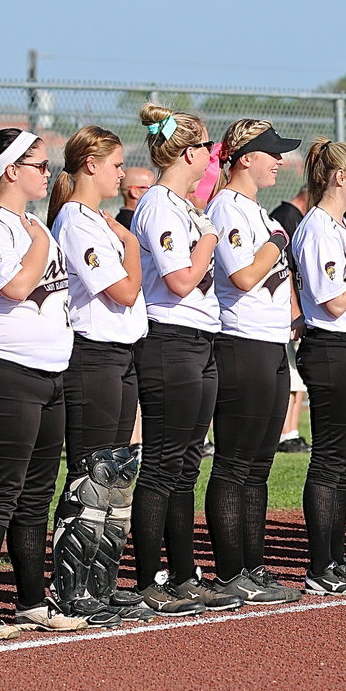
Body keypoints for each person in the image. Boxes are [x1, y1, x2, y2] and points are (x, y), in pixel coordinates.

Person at [0, 128, 87, 639]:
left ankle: (32, 601)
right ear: (9, 171)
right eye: (37, 164)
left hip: (49, 372)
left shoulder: (31, 223)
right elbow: (13, 286)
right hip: (5, 372)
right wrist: (37, 243)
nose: (47, 172)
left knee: (36, 496)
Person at [129, 103, 241, 615]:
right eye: (206, 149)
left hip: (199, 338)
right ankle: (149, 578)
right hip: (170, 339)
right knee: (162, 463)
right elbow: (178, 280)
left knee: (186, 464)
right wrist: (211, 242)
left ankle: (180, 573)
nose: (210, 158)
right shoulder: (158, 204)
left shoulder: (189, 208)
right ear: (189, 152)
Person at [46, 126, 154, 627]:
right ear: (90, 164)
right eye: (115, 164)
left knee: (118, 475)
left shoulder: (95, 218)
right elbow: (125, 292)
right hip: (93, 355)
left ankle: (102, 583)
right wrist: (130, 242)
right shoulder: (77, 221)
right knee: (91, 477)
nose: (120, 172)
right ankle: (73, 588)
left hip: (122, 354)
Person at [203, 118, 304, 604]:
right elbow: (243, 276)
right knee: (234, 463)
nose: (280, 161)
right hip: (240, 344)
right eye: (271, 152)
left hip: (268, 343)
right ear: (245, 158)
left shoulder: (256, 212)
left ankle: (254, 565)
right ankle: (229, 572)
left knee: (258, 466)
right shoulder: (226, 208)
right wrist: (279, 241)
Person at [291, 137, 346, 596]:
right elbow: (333, 302)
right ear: (338, 177)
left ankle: (337, 559)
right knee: (331, 459)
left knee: (345, 461)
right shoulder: (319, 228)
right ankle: (321, 565)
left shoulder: (341, 228)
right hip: (335, 348)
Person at [272, 185, 311, 454]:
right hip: (287, 312)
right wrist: (294, 310)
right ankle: (284, 432)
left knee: (297, 378)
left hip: (296, 311)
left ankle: (292, 431)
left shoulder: (300, 217)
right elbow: (284, 271)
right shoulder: (286, 216)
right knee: (289, 373)